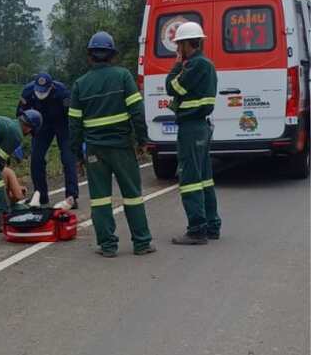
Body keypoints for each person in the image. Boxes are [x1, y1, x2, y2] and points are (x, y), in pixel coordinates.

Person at [68, 32, 155, 258]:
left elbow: (74, 126)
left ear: (90, 56)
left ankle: (107, 246)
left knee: (100, 199)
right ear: (112, 55)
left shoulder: (80, 85)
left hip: (95, 151)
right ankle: (142, 243)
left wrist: (77, 155)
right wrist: (142, 140)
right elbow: (137, 111)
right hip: (122, 147)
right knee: (133, 194)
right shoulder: (123, 76)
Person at [166, 20, 221, 245]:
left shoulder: (195, 65)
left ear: (188, 44)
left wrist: (177, 66)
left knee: (189, 179)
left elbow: (172, 86)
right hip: (201, 126)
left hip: (191, 127)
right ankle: (211, 225)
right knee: (204, 178)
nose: (178, 49)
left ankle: (197, 229)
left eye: (179, 45)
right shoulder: (206, 64)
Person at [17, 72, 79, 210]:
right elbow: (21, 115)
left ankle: (72, 196)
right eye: (38, 90)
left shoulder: (63, 93)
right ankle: (41, 195)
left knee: (68, 158)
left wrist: (77, 136)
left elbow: (73, 115)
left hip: (63, 123)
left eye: (44, 91)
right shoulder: (28, 92)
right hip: (41, 125)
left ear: (51, 87)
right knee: (36, 158)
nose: (41, 93)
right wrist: (23, 136)